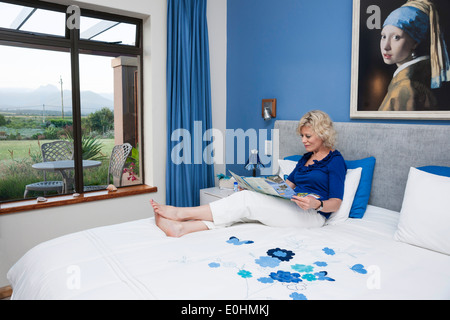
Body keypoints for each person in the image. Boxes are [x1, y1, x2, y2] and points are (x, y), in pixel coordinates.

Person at [151, 110, 347, 237]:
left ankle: (180, 213)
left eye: (308, 136)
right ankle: (182, 228)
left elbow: (336, 202)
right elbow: (289, 186)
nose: (303, 140)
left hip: (313, 215)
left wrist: (317, 204)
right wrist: (267, 189)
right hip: (294, 206)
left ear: (322, 134)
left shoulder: (335, 161)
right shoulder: (304, 159)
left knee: (246, 203)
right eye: (302, 136)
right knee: (243, 210)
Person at [378, 0, 450, 111]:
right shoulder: (418, 78)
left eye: (396, 37)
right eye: (383, 36)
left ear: (415, 42)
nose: (386, 46)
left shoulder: (405, 87)